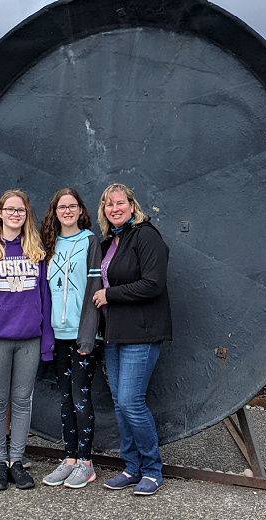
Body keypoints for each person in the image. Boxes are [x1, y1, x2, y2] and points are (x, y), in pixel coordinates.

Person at [0, 190, 54, 492]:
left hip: (29, 339)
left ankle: (17, 460)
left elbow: (45, 301)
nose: (15, 214)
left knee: (22, 401)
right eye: (10, 209)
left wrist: (47, 343)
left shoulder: (36, 251)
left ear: (26, 215)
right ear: (0, 213)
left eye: (21, 210)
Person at [92, 183, 172, 497]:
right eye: (109, 204)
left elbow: (153, 284)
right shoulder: (111, 241)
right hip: (115, 334)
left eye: (120, 203)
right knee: (120, 404)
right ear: (104, 210)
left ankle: (152, 470)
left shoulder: (146, 236)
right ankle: (131, 467)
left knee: (131, 402)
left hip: (141, 332)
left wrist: (109, 295)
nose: (115, 208)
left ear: (132, 205)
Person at [39, 189, 102, 490]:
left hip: (81, 335)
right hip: (57, 335)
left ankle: (87, 463)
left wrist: (87, 336)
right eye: (61, 207)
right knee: (64, 399)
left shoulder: (90, 241)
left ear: (80, 210)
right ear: (55, 211)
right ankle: (70, 459)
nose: (67, 211)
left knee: (80, 398)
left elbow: (94, 289)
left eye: (72, 206)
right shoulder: (48, 244)